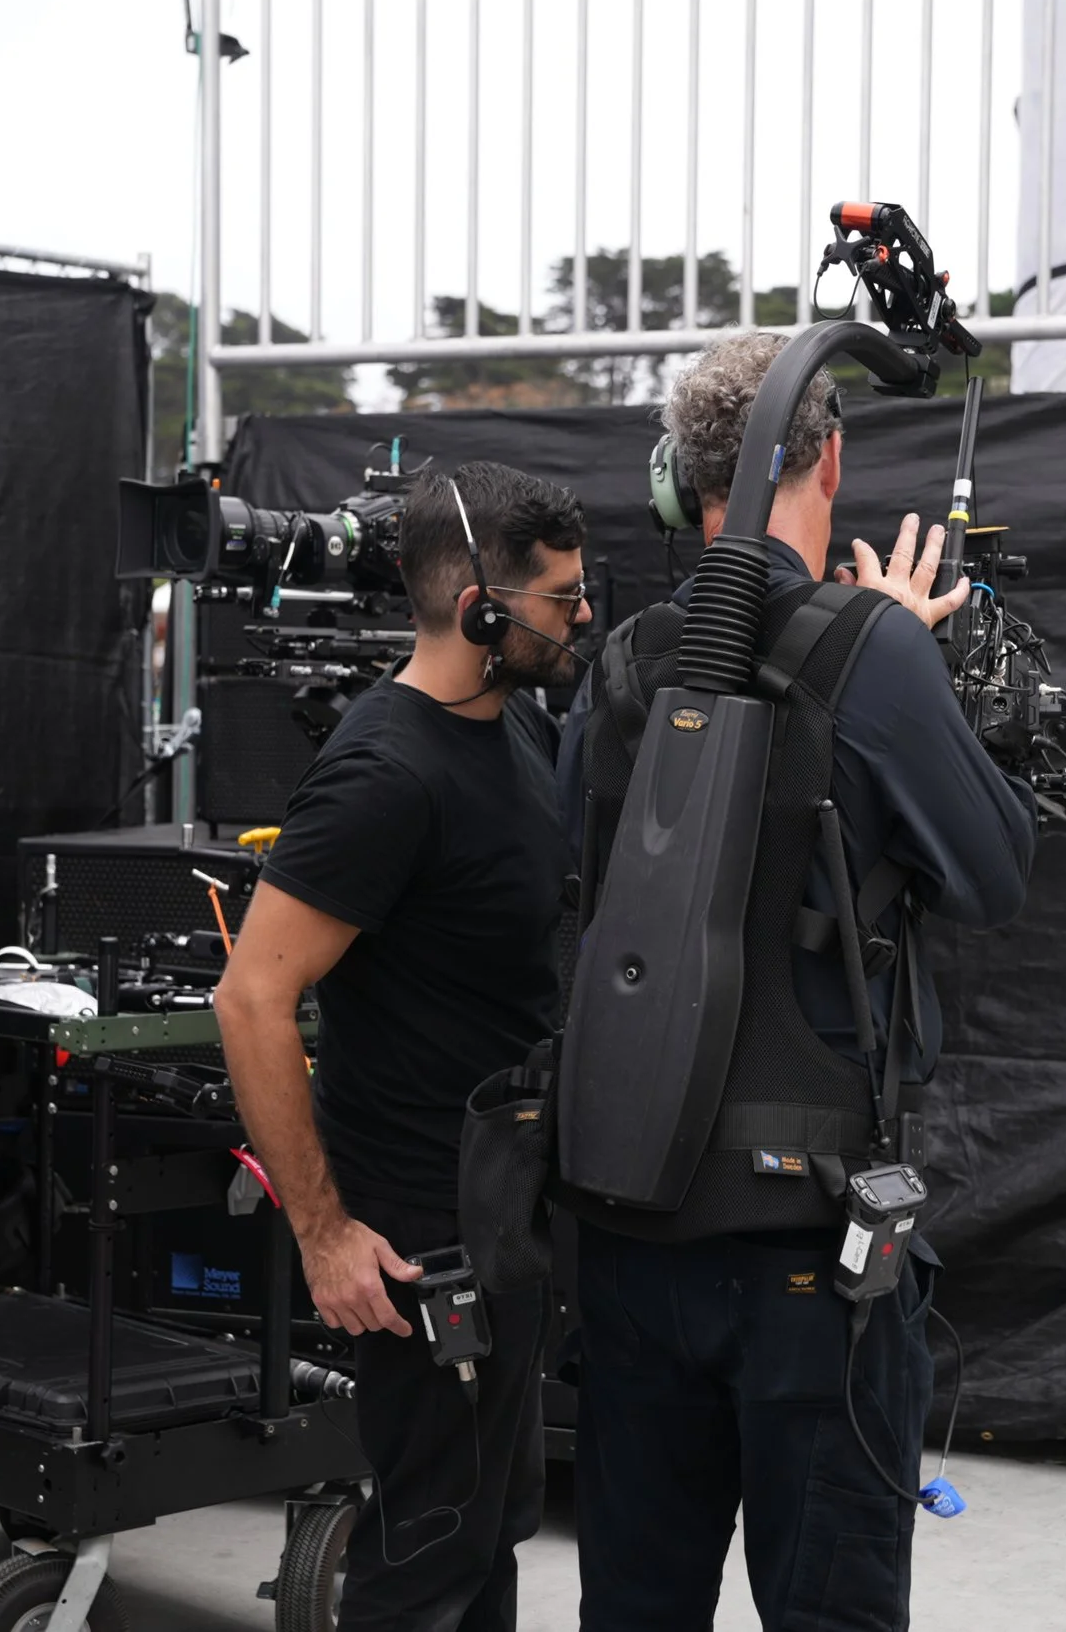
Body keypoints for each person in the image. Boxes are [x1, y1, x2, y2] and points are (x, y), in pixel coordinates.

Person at [559, 334, 1036, 1631]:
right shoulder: (868, 653)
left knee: (633, 1608)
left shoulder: (623, 666)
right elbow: (995, 873)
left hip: (626, 1237)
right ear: (829, 452)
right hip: (808, 1272)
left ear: (680, 484)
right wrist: (913, 668)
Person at [214, 460, 591, 1632]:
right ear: (481, 604)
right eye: (561, 598)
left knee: (487, 1524)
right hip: (424, 1235)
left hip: (503, 1204)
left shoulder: (518, 724)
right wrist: (324, 1233)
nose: (581, 617)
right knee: (427, 1549)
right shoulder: (387, 770)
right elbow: (249, 997)